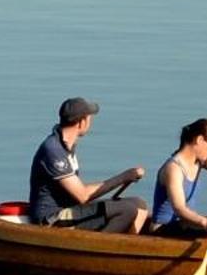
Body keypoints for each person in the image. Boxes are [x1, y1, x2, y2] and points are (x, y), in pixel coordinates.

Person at [27, 97, 147, 233]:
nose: (91, 121)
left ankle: (127, 247)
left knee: (139, 204)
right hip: (51, 218)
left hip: (71, 207)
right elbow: (82, 195)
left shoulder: (66, 143)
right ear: (81, 122)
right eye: (89, 118)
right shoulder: (53, 151)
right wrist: (123, 177)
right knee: (127, 210)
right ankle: (100, 250)